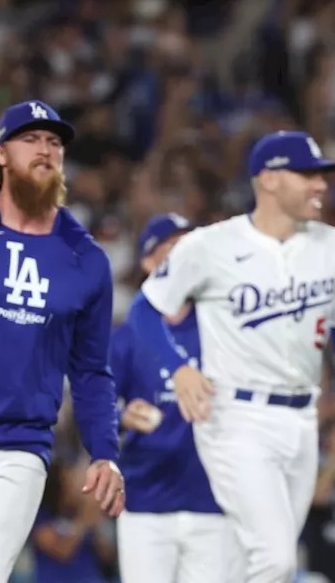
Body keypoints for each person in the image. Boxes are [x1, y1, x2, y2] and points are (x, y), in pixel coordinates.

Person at [132, 130, 335, 583]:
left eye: (321, 176)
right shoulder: (209, 245)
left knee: (259, 558)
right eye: (307, 175)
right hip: (236, 417)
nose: (321, 185)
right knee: (276, 560)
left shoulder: (333, 245)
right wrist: (180, 367)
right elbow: (145, 310)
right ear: (269, 180)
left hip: (303, 420)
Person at [0, 100, 124, 582]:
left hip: (17, 447)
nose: (45, 149)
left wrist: (104, 450)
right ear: (0, 154)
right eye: (31, 138)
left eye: (54, 141)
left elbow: (89, 369)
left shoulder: (85, 259)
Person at [111, 212, 235, 582]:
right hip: (146, 500)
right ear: (149, 261)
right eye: (172, 249)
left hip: (214, 499)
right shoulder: (128, 334)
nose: (184, 257)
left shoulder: (222, 326)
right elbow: (94, 403)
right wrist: (122, 416)